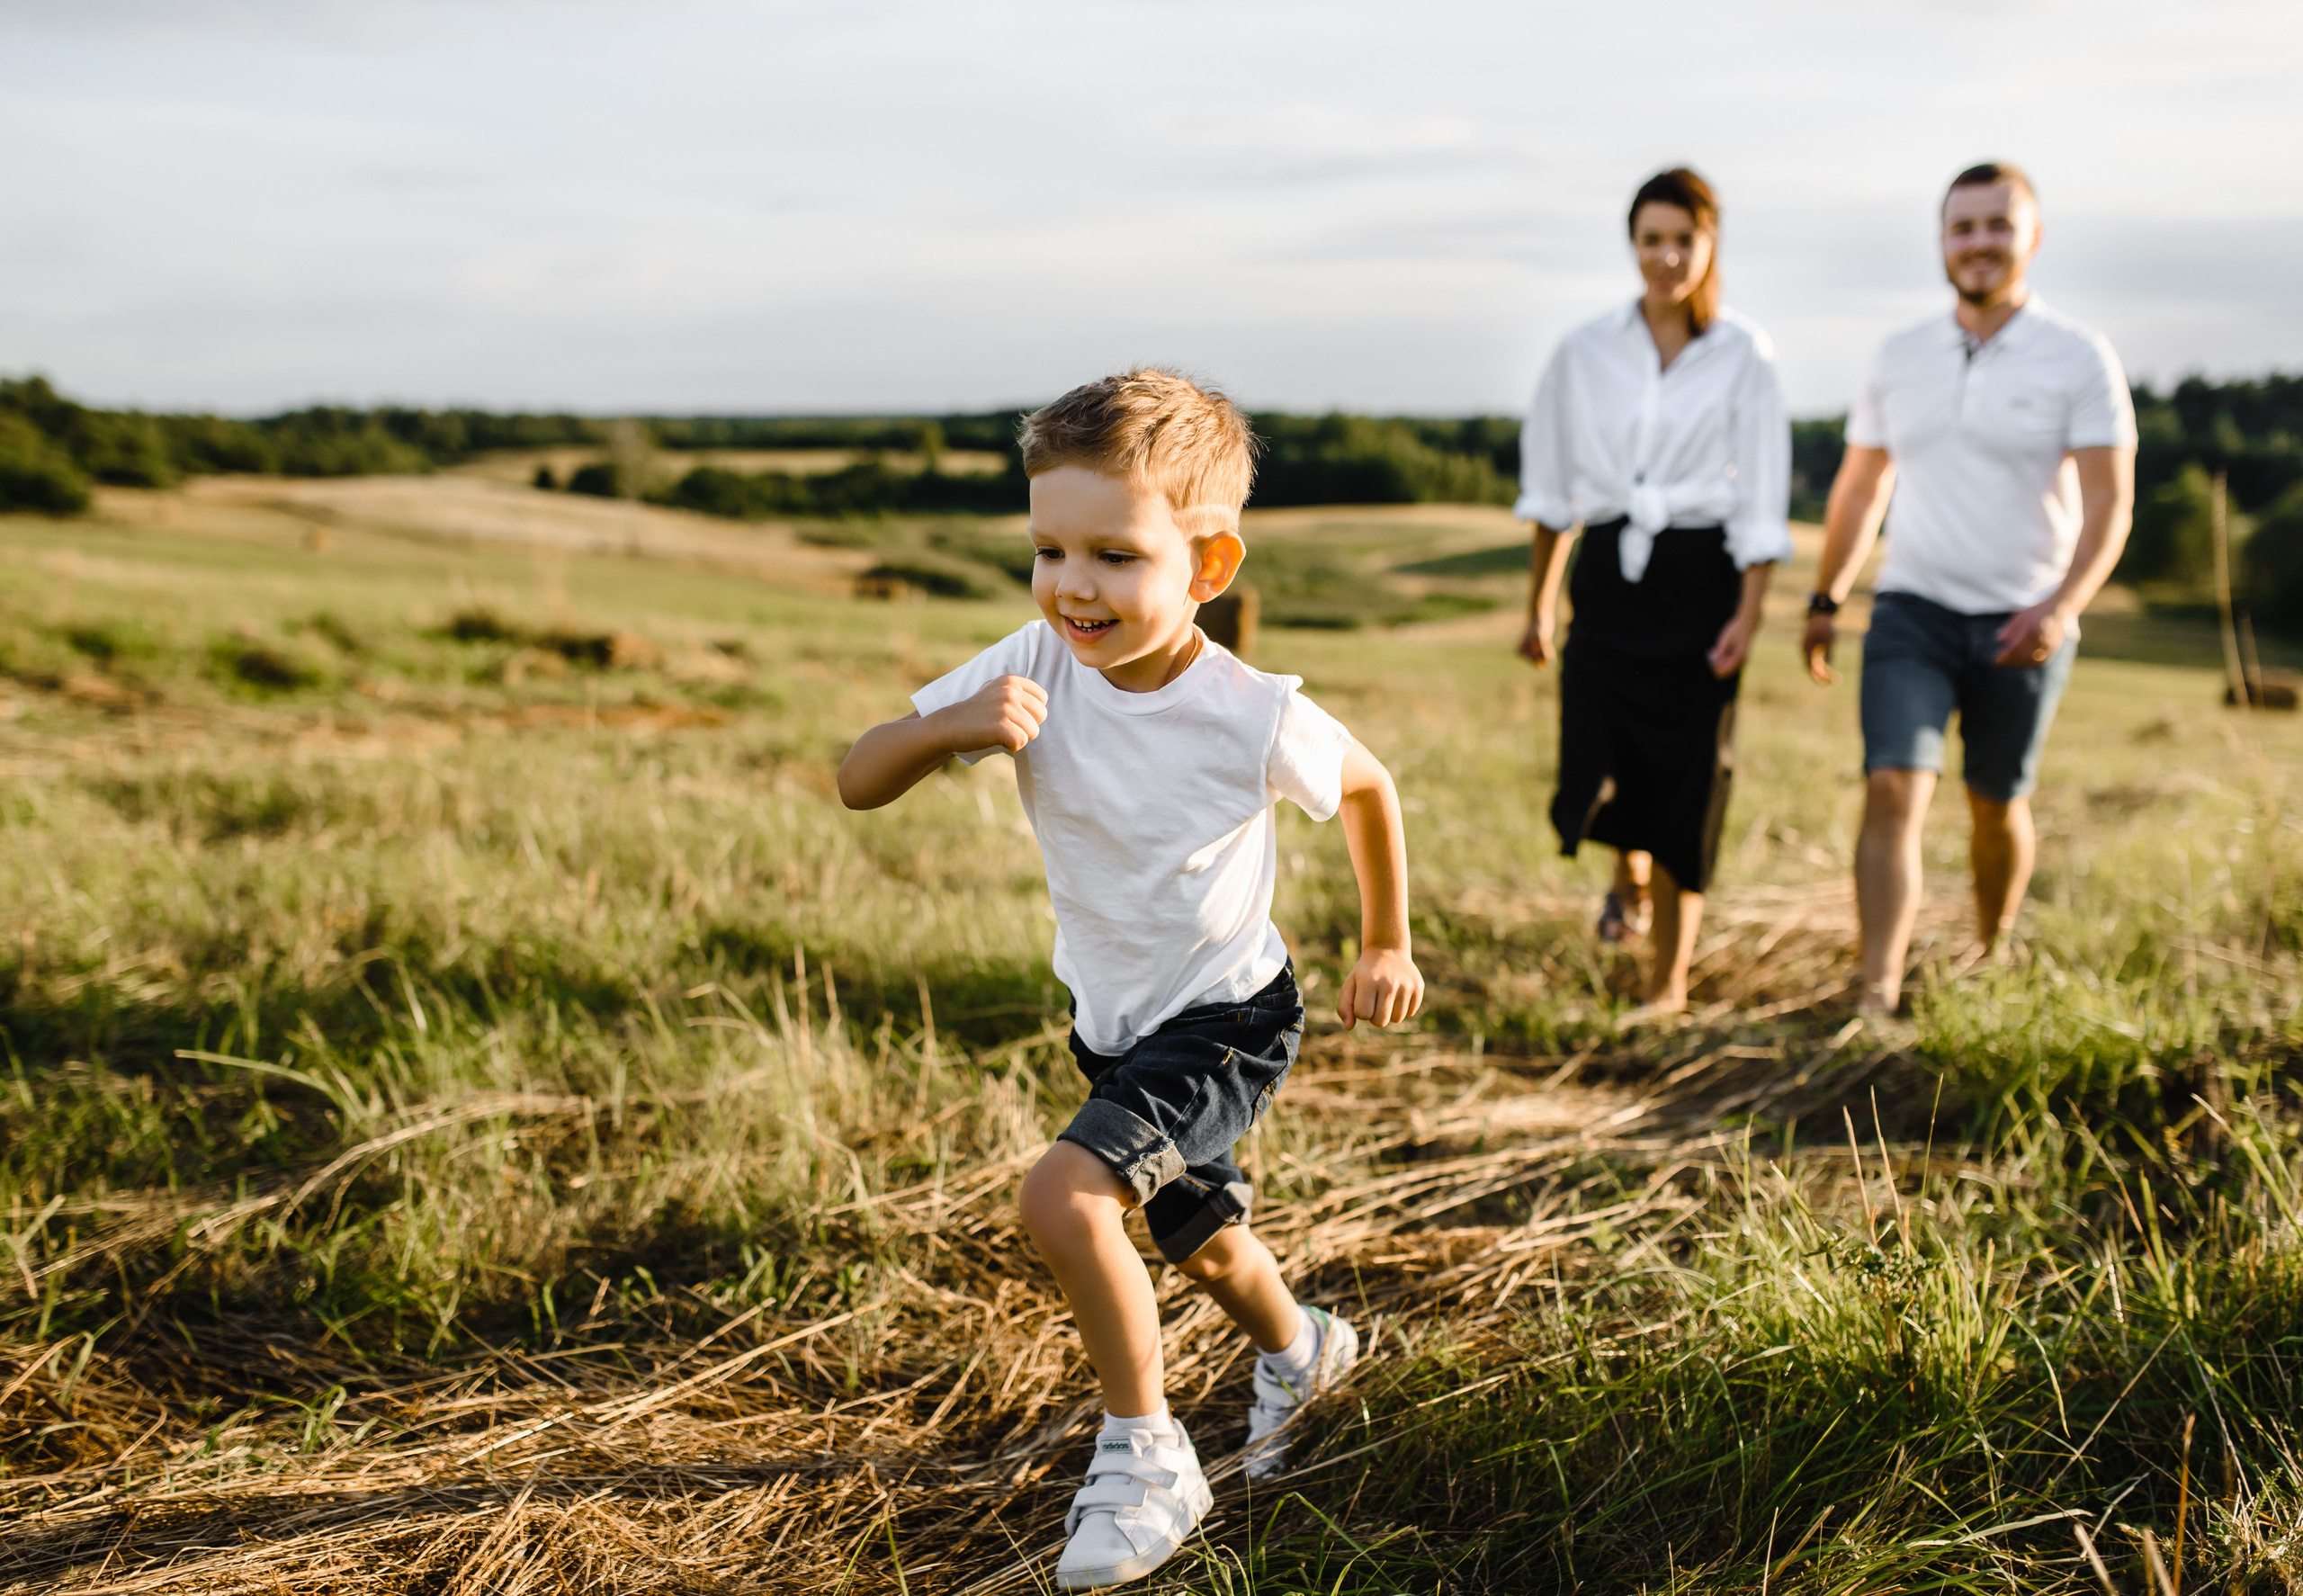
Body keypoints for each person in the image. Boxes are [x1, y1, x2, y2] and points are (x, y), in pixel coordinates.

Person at [837, 370, 1424, 1591]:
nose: (1073, 584)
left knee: (1064, 1198)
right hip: (1113, 1027)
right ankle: (1306, 1348)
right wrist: (949, 730)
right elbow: (859, 774)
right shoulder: (1030, 658)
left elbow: (1367, 787)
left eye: (1114, 553)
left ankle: (1147, 1454)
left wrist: (1386, 941)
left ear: (1207, 566)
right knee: (1199, 1236)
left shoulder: (1249, 713)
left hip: (1227, 1022)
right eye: (1050, 548)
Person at [1803, 161, 2137, 1016]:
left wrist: (2061, 607)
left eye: (1998, 225)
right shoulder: (1898, 355)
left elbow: (2109, 501)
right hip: (1912, 608)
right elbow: (1860, 488)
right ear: (1943, 240)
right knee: (1892, 785)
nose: (1979, 243)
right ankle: (1876, 993)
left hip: (2022, 620)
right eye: (1963, 227)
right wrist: (1826, 595)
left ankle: (1990, 950)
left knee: (1995, 804)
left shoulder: (2079, 357)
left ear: (2032, 238)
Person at [1516, 167, 1793, 1017]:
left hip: (1700, 580)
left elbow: (1762, 495)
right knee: (1601, 759)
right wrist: (1538, 605)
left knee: (1687, 779)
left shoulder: (1744, 352)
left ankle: (1668, 982)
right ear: (1632, 245)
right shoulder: (1584, 349)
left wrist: (1749, 614)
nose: (1667, 257)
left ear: (1709, 246)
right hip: (1608, 576)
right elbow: (1553, 489)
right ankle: (1627, 880)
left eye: (1684, 240)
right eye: (1651, 240)